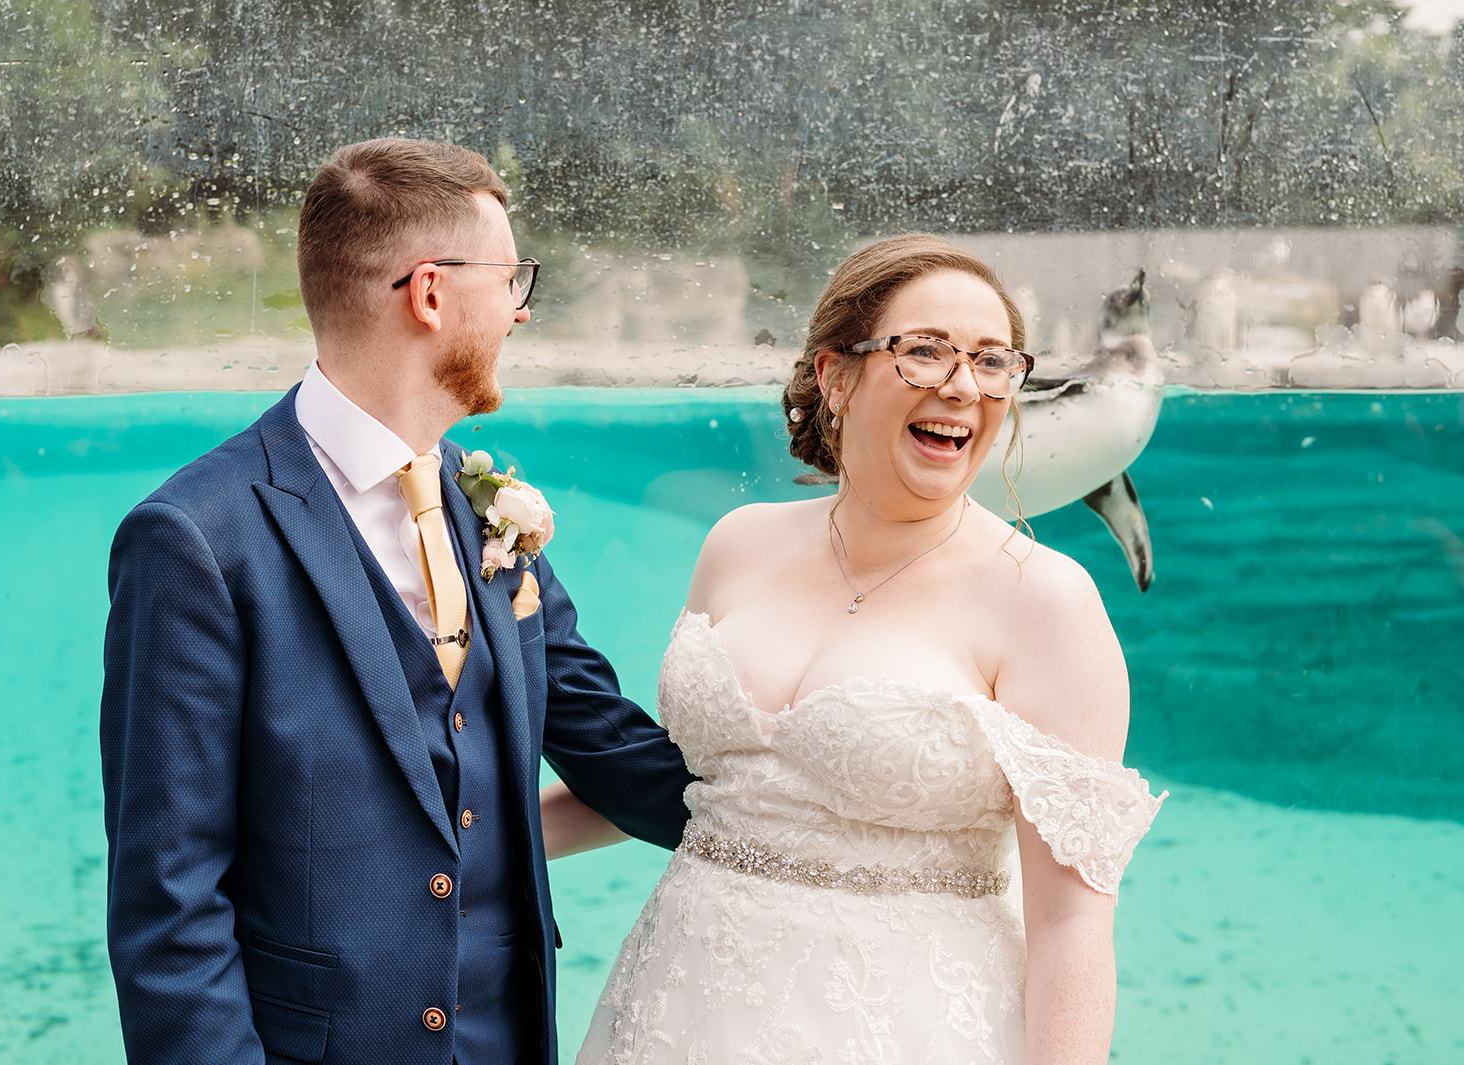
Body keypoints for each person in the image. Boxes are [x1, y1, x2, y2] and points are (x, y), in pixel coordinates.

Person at [100, 137, 695, 1065]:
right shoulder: (196, 538)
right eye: (512, 281)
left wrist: (832, 814)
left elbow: (618, 758)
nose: (520, 312)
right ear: (430, 293)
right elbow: (169, 903)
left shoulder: (490, 506)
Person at [545, 234, 1166, 1064]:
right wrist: (459, 834)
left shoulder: (1045, 600)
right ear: (835, 376)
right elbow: (695, 785)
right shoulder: (737, 544)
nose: (962, 385)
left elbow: (1072, 924)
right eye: (925, 352)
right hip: (669, 1009)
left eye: (992, 361)